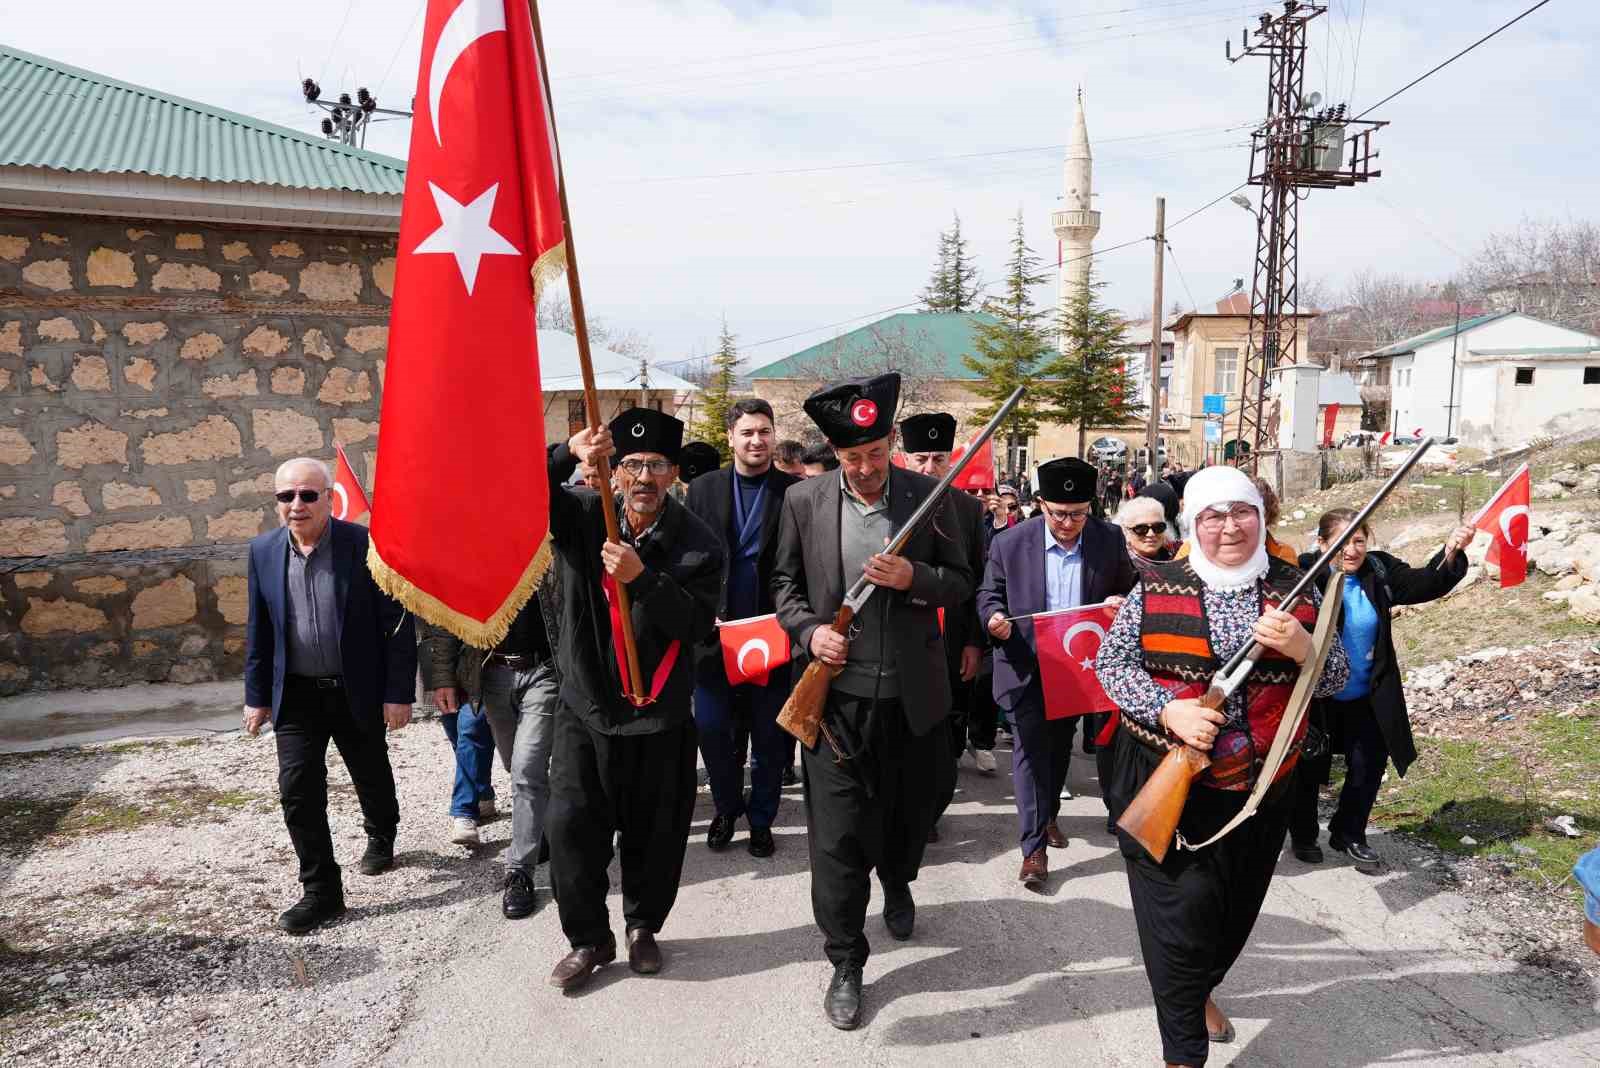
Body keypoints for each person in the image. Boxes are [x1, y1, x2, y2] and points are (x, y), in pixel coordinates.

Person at [1096, 466, 1351, 1067]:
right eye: (1213, 516)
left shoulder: (1301, 587)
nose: (1229, 527)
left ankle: (1199, 987)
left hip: (1261, 791)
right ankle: (1182, 1051)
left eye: (1242, 512)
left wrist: (1304, 650)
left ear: (1261, 520)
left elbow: (1337, 678)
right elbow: (1111, 666)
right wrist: (1171, 712)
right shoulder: (1157, 584)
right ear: (1193, 525)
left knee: (1232, 919)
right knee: (1178, 926)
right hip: (1169, 779)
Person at [771, 372, 971, 1031]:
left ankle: (901, 875)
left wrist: (916, 576)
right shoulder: (803, 501)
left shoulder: (930, 496)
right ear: (834, 452)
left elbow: (962, 582)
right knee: (837, 840)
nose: (865, 470)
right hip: (837, 708)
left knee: (914, 813)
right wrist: (811, 633)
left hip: (915, 700)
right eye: (851, 458)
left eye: (875, 454)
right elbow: (786, 588)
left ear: (892, 443)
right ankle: (847, 959)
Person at [543, 409, 723, 990]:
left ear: (674, 474)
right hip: (587, 708)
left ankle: (644, 925)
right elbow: (523, 496)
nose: (643, 477)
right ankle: (590, 939)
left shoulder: (698, 541)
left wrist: (644, 578)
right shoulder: (581, 515)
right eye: (631, 465)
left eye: (656, 466)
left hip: (660, 715)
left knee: (658, 830)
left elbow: (698, 626)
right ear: (613, 471)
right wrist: (565, 454)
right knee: (571, 828)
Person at [243, 457, 416, 935]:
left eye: (307, 495)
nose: (296, 505)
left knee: (370, 772)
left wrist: (397, 693)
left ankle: (381, 834)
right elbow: (259, 630)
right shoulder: (262, 552)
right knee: (297, 791)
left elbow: (397, 626)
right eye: (285, 496)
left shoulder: (363, 547)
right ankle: (321, 891)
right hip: (296, 697)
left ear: (328, 498)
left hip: (354, 689)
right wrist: (256, 696)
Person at [977, 457, 1137, 890]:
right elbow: (988, 593)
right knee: (1029, 753)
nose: (1068, 523)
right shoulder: (1010, 543)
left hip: (1078, 670)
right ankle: (1033, 849)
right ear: (1041, 504)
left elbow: (1130, 587)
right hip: (1025, 663)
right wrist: (993, 617)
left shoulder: (1108, 540)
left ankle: (1048, 815)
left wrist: (1121, 602)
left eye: (1079, 513)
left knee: (1060, 746)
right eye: (1059, 513)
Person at [1288, 508, 1472, 867]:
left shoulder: (1379, 570)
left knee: (1369, 763)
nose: (1352, 550)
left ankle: (1348, 833)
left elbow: (1426, 582)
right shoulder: (1306, 574)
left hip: (1367, 693)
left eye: (1359, 540)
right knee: (1307, 767)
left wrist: (1451, 549)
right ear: (1323, 543)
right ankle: (1305, 834)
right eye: (1342, 541)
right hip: (1317, 696)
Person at [686, 398, 800, 858]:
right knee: (713, 730)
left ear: (774, 435)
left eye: (764, 431)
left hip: (772, 633)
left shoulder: (793, 492)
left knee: (771, 736)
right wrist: (700, 608)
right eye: (748, 432)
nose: (757, 440)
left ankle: (762, 818)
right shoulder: (704, 489)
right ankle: (727, 808)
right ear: (731, 437)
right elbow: (690, 560)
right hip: (716, 637)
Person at [420, 575, 559, 919]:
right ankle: (545, 825)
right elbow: (448, 613)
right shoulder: (474, 545)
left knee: (527, 770)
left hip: (544, 670)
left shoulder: (549, 538)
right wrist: (443, 678)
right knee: (517, 765)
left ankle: (519, 872)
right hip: (492, 674)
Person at [900, 412, 993, 847]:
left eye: (939, 458)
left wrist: (975, 640)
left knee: (948, 732)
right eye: (921, 458)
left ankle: (932, 806)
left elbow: (978, 578)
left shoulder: (969, 510)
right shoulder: (893, 502)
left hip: (953, 639)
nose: (930, 468)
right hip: (906, 642)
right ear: (905, 457)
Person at [1117, 495, 1175, 565]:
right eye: (1141, 529)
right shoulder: (1119, 566)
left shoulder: (1179, 555)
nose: (1151, 534)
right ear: (1125, 531)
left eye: (1158, 527)